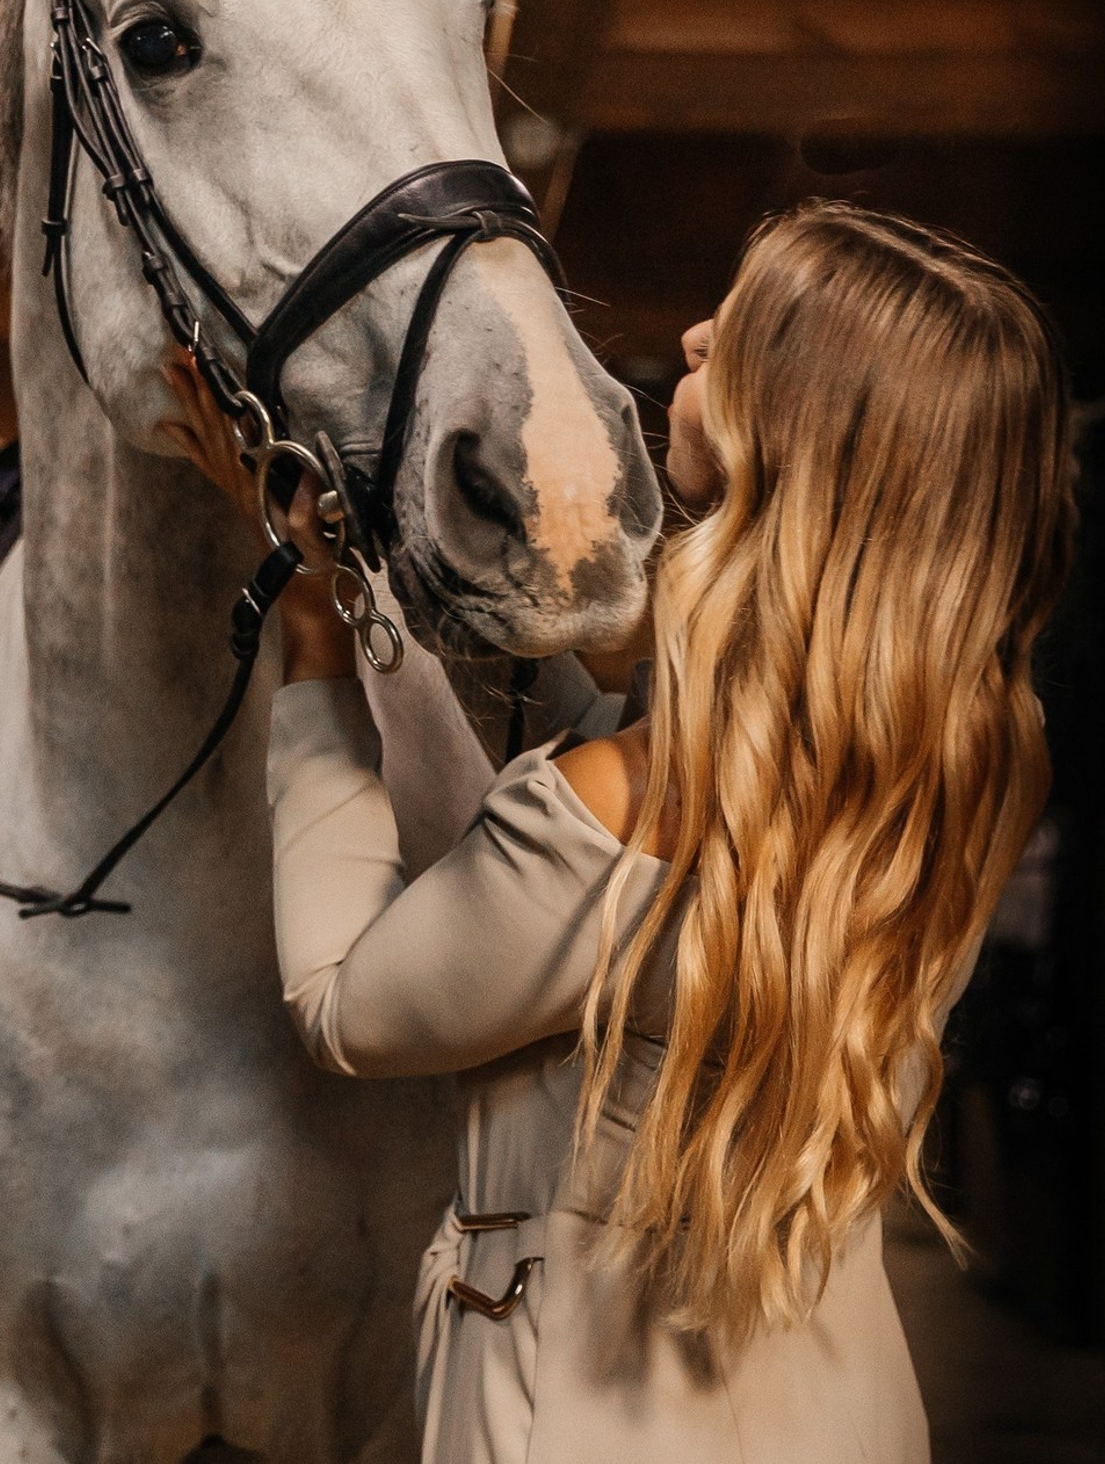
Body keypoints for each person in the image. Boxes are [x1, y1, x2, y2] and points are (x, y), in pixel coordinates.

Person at [164, 200, 1074, 1462]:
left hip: (582, 1416)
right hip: (837, 1405)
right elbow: (626, 814)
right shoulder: (973, 754)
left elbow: (338, 1003)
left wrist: (319, 635)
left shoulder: (622, 802)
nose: (690, 337)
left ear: (794, 434)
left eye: (725, 346)